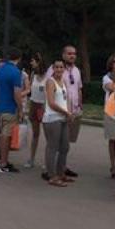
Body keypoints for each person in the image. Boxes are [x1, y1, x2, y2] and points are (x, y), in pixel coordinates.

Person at [0, 48, 24, 174]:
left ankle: (4, 161)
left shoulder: (0, 69)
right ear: (19, 59)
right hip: (10, 107)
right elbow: (17, 92)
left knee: (5, 132)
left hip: (1, 107)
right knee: (6, 134)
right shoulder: (16, 72)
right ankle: (3, 163)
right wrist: (20, 109)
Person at [42, 59, 72, 187]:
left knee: (65, 146)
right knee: (52, 147)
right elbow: (51, 102)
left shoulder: (63, 81)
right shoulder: (50, 82)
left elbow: (66, 99)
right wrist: (65, 113)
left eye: (61, 67)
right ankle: (51, 175)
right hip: (52, 118)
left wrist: (68, 112)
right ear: (53, 69)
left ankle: (61, 172)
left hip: (63, 118)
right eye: (57, 67)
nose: (59, 69)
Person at [61, 45, 82, 178]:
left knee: (67, 141)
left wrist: (80, 106)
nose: (72, 56)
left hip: (74, 111)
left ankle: (63, 166)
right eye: (69, 53)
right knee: (58, 140)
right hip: (61, 110)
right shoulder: (56, 68)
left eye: (74, 54)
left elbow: (79, 88)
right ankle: (52, 168)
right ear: (63, 55)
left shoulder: (76, 70)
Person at [25, 53, 46, 169]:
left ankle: (47, 160)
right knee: (35, 133)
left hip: (44, 105)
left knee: (48, 134)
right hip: (34, 104)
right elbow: (30, 91)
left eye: (33, 61)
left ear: (38, 62)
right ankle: (31, 158)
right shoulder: (33, 74)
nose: (31, 63)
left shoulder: (48, 76)